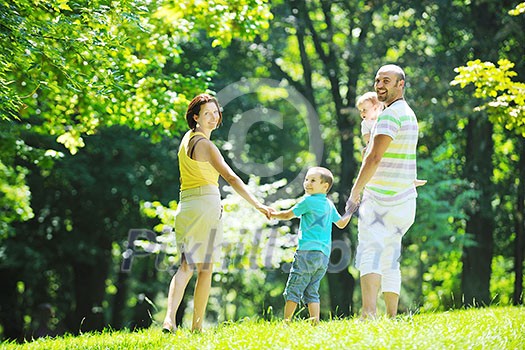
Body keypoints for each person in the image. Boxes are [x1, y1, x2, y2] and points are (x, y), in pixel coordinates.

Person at [162, 93, 273, 333]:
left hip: (186, 205)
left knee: (185, 266)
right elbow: (231, 177)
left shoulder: (186, 140)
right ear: (195, 118)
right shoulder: (206, 145)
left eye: (216, 112)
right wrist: (258, 204)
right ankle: (197, 327)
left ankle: (169, 319)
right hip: (206, 204)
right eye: (207, 114)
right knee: (205, 268)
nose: (214, 118)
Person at [346, 64, 420, 319]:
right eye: (377, 80)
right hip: (404, 202)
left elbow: (374, 157)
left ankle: (368, 313)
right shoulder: (408, 114)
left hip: (381, 200)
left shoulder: (389, 116)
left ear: (401, 85)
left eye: (386, 81)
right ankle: (391, 315)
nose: (379, 85)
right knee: (390, 256)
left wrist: (356, 192)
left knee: (370, 251)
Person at [271, 167, 352, 324]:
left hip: (306, 253)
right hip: (323, 257)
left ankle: (286, 322)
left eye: (313, 180)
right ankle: (315, 322)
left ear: (325, 186)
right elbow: (341, 224)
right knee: (312, 290)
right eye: (306, 179)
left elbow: (288, 214)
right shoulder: (329, 204)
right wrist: (350, 210)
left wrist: (273, 214)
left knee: (294, 287)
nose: (307, 183)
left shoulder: (308, 201)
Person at [357, 91, 427, 188]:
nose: (362, 113)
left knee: (404, 156)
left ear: (376, 108)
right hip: (374, 147)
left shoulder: (385, 116)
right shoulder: (365, 123)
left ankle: (412, 179)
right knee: (365, 153)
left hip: (388, 145)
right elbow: (367, 137)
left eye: (364, 110)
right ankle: (369, 177)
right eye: (360, 110)